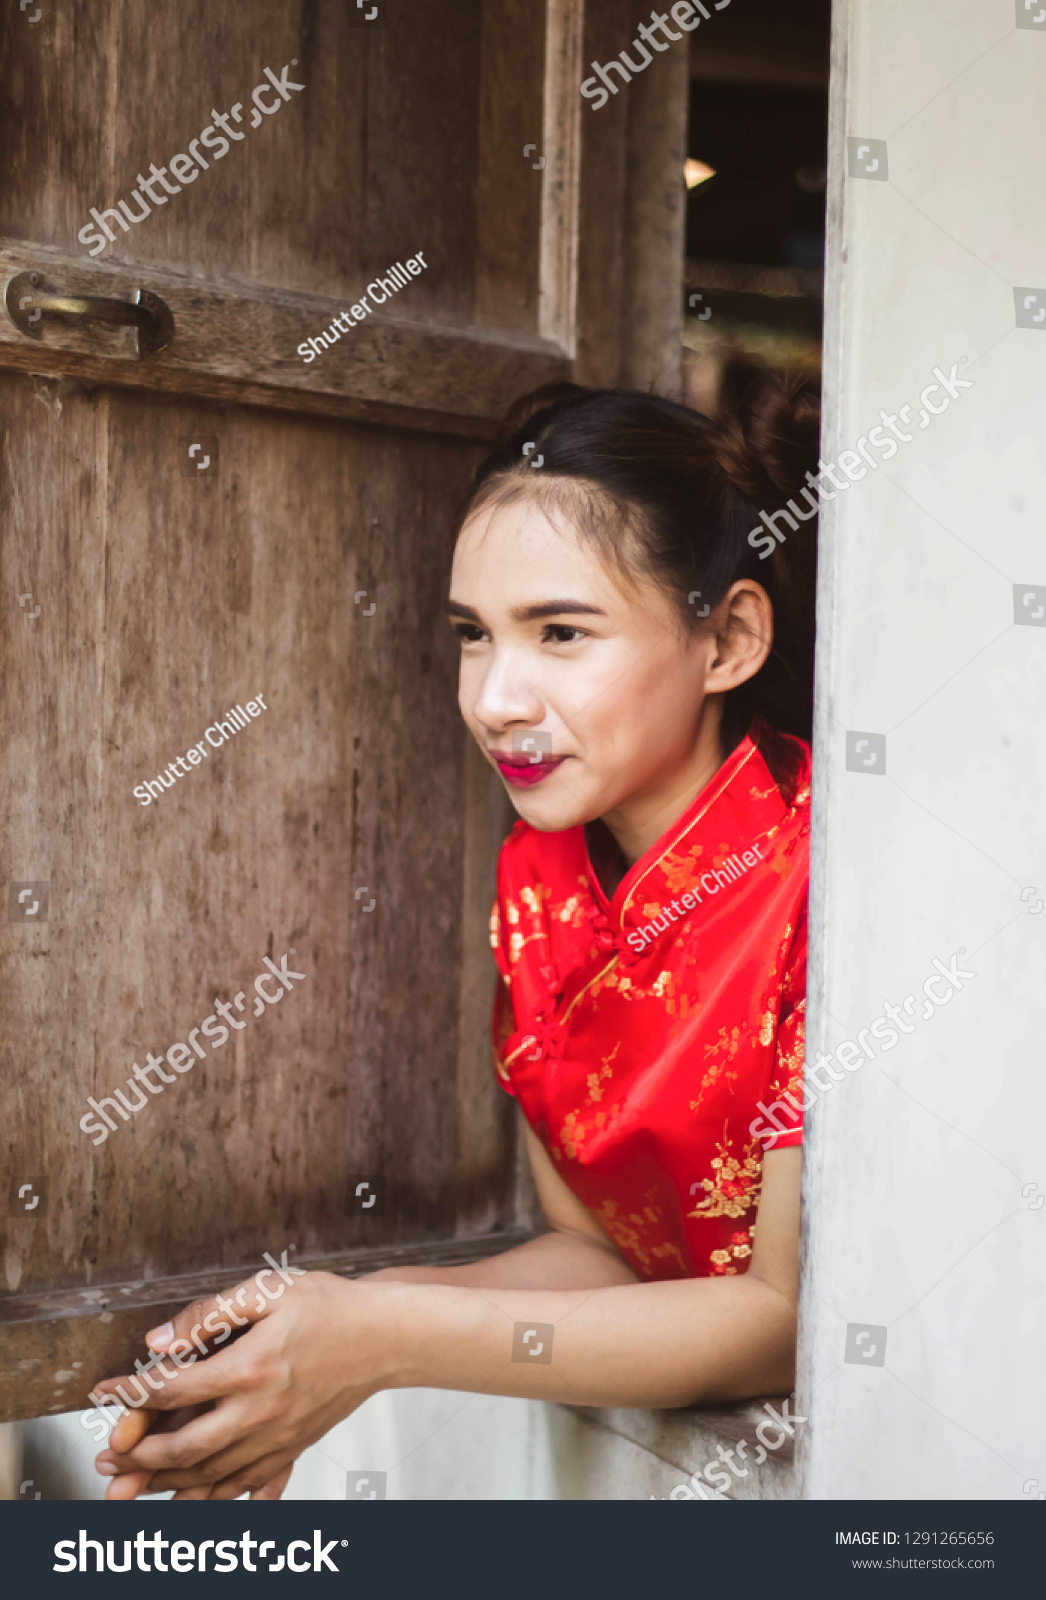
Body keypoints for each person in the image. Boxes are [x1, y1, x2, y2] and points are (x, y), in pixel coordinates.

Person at [93, 368, 820, 1501]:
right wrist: (319, 1331)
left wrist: (382, 1335)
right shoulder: (540, 872)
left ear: (725, 640)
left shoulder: (834, 884)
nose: (492, 697)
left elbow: (778, 1323)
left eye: (560, 631)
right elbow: (601, 1258)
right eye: (472, 635)